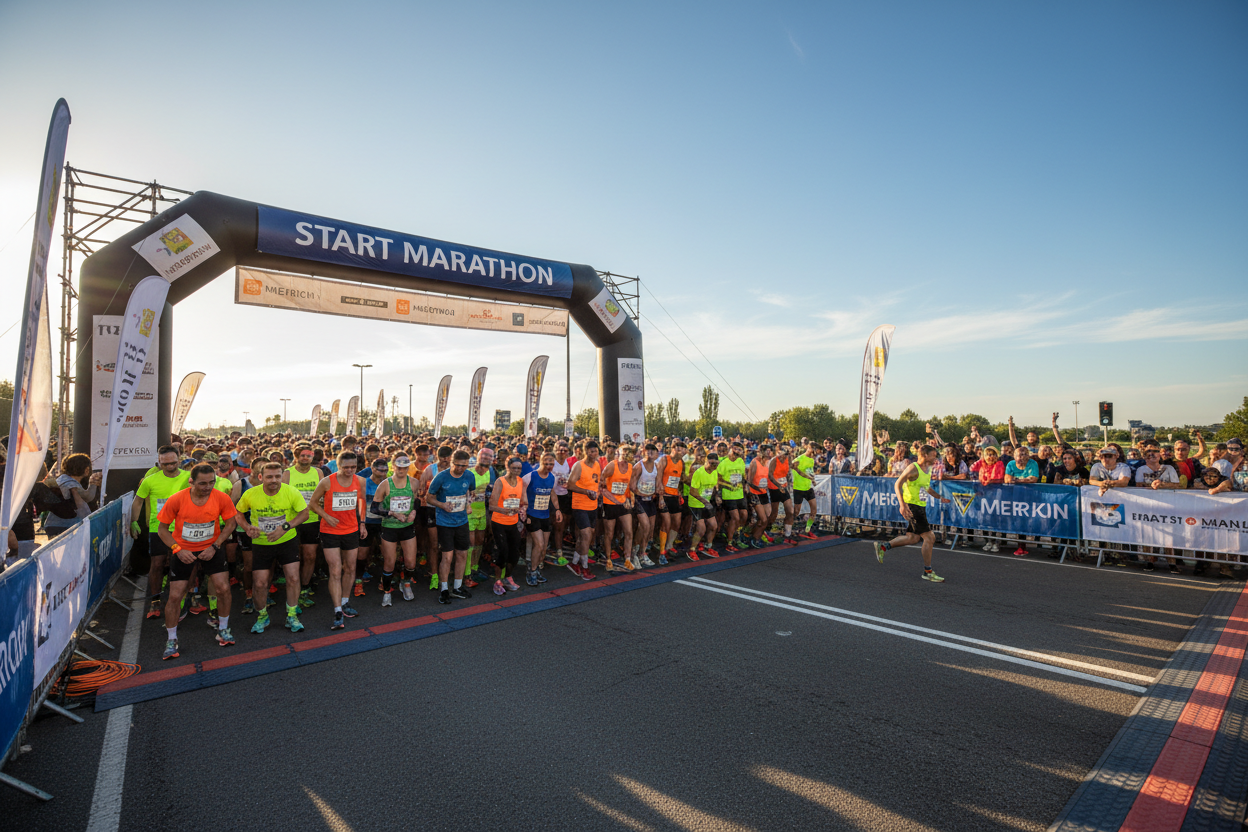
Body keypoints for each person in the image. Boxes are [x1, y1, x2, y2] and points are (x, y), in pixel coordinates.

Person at [156, 464, 238, 658]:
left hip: (212, 547)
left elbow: (231, 523)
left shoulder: (221, 498)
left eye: (211, 482)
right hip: (183, 549)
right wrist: (177, 549)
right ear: (191, 481)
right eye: (202, 483)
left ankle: (223, 629)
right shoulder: (177, 499)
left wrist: (216, 545)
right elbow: (162, 529)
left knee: (223, 588)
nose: (208, 487)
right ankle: (171, 639)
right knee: (175, 596)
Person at [235, 461, 310, 634]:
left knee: (292, 578)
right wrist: (247, 528)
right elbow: (237, 513)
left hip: (287, 541)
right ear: (261, 477)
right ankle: (262, 617)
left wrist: (284, 528)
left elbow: (304, 514)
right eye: (269, 477)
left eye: (277, 476)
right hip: (261, 544)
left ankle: (292, 615)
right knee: (260, 583)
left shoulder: (291, 491)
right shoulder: (251, 494)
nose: (274, 480)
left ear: (282, 476)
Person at [873, 445, 951, 582]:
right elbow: (897, 484)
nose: (935, 458)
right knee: (930, 537)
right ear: (925, 455)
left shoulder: (928, 468)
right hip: (912, 507)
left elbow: (926, 487)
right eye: (933, 455)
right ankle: (928, 571)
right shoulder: (913, 468)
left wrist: (939, 497)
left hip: (921, 506)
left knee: (913, 538)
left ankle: (883, 546)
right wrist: (902, 505)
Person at [132, 446, 191, 619]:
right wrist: (133, 521)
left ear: (179, 461)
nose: (170, 467)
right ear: (159, 462)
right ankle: (155, 600)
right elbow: (138, 502)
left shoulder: (189, 478)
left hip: (182, 528)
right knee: (157, 564)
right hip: (158, 528)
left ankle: (182, 599)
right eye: (165, 464)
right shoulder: (150, 480)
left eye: (173, 463)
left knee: (181, 564)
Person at [309, 450, 366, 628]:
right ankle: (337, 610)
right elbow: (312, 504)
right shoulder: (327, 482)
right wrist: (325, 516)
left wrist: (362, 523)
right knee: (335, 570)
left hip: (351, 529)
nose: (350, 471)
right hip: (330, 531)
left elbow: (362, 501)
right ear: (338, 466)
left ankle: (345, 601)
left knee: (350, 568)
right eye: (346, 467)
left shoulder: (360, 481)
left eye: (353, 467)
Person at [426, 449, 477, 604]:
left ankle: (457, 587)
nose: (462, 468)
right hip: (445, 522)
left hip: (462, 521)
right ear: (452, 462)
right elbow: (429, 497)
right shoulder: (441, 477)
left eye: (465, 466)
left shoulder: (469, 476)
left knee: (462, 554)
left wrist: (469, 502)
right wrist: (442, 505)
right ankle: (444, 589)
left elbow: (471, 492)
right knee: (447, 557)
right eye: (459, 465)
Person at [372, 455, 419, 606]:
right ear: (393, 466)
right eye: (399, 467)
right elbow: (374, 508)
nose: (402, 470)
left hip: (407, 527)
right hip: (389, 527)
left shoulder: (413, 482)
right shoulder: (385, 485)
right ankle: (387, 591)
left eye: (405, 468)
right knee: (389, 563)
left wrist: (414, 512)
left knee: (411, 562)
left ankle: (405, 584)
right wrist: (391, 513)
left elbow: (416, 500)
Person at [282, 443, 323, 612]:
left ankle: (304, 588)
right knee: (293, 558)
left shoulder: (318, 472)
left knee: (310, 556)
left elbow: (323, 494)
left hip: (312, 520)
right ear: (296, 457)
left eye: (309, 455)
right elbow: (282, 496)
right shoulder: (288, 473)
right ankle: (293, 589)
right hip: (293, 521)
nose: (306, 458)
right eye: (302, 455)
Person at [489, 456, 527, 595]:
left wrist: (523, 508)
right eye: (514, 468)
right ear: (508, 467)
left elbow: (523, 500)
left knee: (515, 552)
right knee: (503, 552)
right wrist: (504, 510)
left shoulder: (520, 481)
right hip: (499, 521)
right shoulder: (500, 481)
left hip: (513, 522)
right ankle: (497, 581)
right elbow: (492, 505)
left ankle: (508, 577)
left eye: (519, 468)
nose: (516, 471)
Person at [522, 450, 560, 585]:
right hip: (532, 515)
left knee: (543, 548)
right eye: (546, 462)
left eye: (551, 463)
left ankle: (536, 568)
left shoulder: (553, 478)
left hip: (545, 515)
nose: (549, 465)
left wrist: (557, 510)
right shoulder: (530, 476)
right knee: (539, 544)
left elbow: (552, 494)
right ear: (541, 461)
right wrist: (523, 510)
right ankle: (531, 571)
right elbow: (521, 491)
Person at [566, 441, 602, 580]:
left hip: (592, 506)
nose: (594, 454)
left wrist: (597, 492)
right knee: (586, 535)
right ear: (585, 451)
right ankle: (585, 567)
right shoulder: (579, 465)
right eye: (591, 451)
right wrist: (586, 491)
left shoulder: (597, 464)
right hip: (579, 505)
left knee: (585, 537)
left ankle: (574, 562)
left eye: (596, 451)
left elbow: (596, 483)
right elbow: (570, 484)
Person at [43, 453, 100, 538]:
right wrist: (93, 484)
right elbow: (88, 497)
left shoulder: (63, 480)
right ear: (87, 470)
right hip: (65, 526)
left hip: (53, 524)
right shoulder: (71, 484)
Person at [600, 445, 635, 572]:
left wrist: (631, 499)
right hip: (609, 503)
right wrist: (612, 498)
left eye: (628, 451)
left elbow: (629, 486)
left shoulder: (631, 467)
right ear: (618, 452)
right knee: (609, 533)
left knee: (628, 531)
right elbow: (601, 483)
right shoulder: (612, 466)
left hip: (623, 503)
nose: (626, 454)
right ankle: (608, 558)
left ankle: (628, 559)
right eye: (623, 451)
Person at [466, 447, 497, 586]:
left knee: (479, 542)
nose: (486, 458)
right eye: (483, 456)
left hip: (482, 512)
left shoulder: (490, 472)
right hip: (469, 513)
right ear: (477, 457)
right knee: (470, 543)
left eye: (489, 456)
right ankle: (466, 573)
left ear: (492, 459)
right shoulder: (469, 473)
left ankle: (474, 568)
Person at [655, 441, 686, 563]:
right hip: (664, 496)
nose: (681, 451)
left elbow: (679, 479)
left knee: (677, 522)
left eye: (683, 449)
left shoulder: (681, 463)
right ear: (672, 449)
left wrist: (679, 493)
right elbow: (658, 478)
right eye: (678, 449)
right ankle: (661, 552)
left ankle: (669, 545)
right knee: (666, 523)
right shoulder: (664, 459)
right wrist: (661, 498)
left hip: (674, 496)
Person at [630, 443, 661, 565]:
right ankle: (635, 551)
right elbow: (632, 486)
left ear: (656, 454)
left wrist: (658, 493)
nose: (650, 453)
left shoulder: (656, 466)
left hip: (650, 499)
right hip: (640, 499)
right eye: (647, 451)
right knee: (644, 526)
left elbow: (658, 483)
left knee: (650, 528)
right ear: (643, 452)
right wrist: (641, 494)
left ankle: (642, 552)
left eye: (652, 451)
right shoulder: (639, 466)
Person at [687, 452, 721, 559]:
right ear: (706, 461)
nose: (714, 466)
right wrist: (704, 501)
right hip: (696, 503)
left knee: (714, 526)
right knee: (701, 529)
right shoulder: (699, 473)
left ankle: (708, 546)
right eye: (711, 463)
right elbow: (693, 491)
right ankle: (692, 550)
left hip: (706, 503)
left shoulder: (715, 472)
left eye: (716, 464)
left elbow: (713, 487)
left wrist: (716, 496)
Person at [716, 441, 748, 552]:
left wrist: (745, 486)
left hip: (739, 493)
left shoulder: (740, 462)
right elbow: (718, 480)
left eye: (740, 450)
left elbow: (743, 476)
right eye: (736, 449)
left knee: (744, 515)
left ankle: (735, 533)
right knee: (735, 517)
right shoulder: (724, 463)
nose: (737, 452)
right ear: (731, 449)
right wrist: (728, 485)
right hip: (728, 494)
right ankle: (729, 542)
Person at [790, 440, 820, 541]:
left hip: (808, 488)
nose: (813, 451)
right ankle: (788, 528)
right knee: (796, 511)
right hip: (798, 488)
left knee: (814, 509)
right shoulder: (799, 458)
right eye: (812, 449)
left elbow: (810, 472)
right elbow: (792, 467)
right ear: (808, 448)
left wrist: (813, 480)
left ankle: (807, 529)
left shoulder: (812, 460)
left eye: (815, 449)